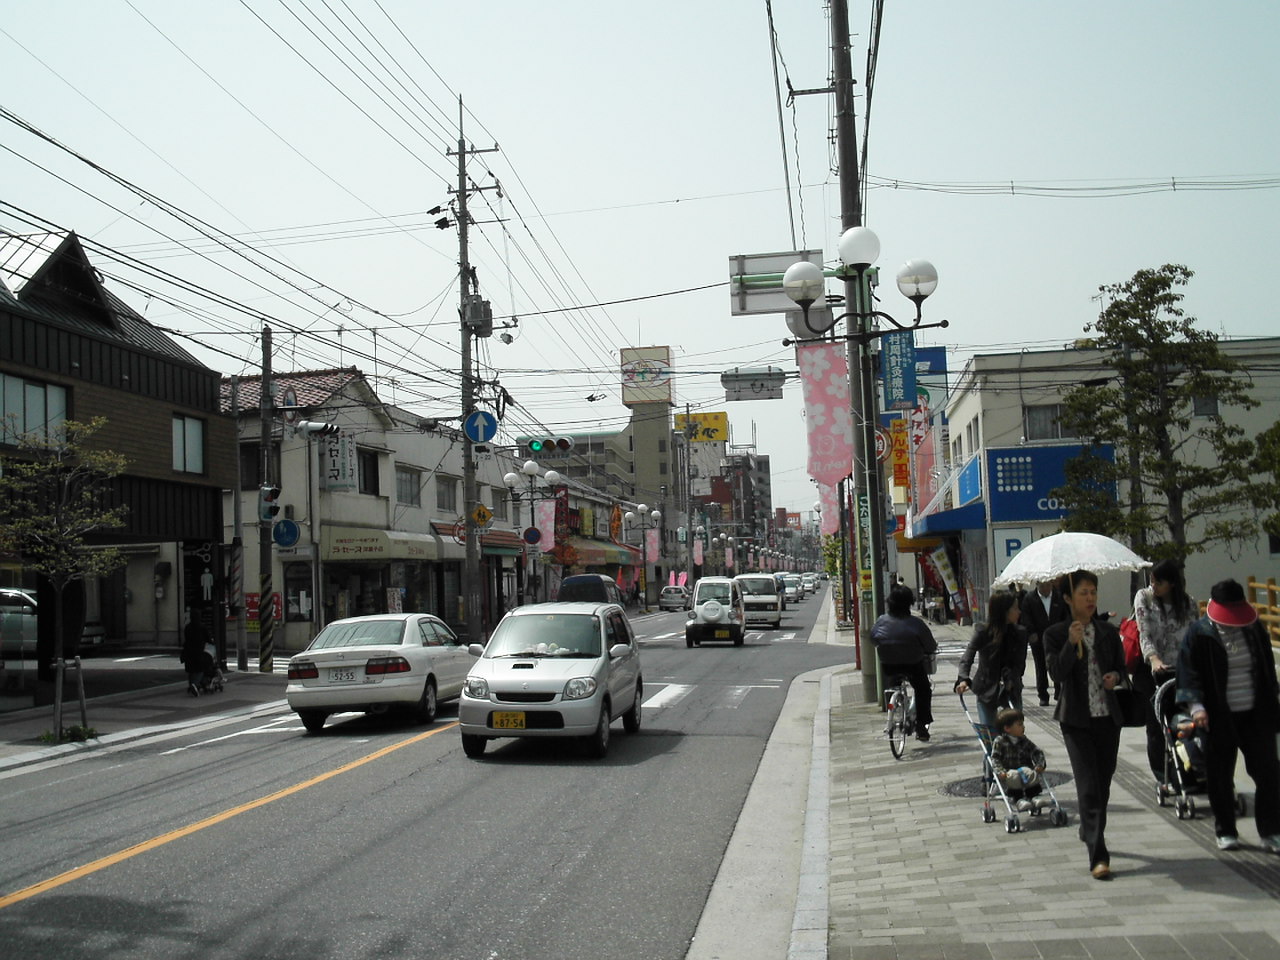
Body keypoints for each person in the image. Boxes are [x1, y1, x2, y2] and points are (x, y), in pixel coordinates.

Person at [1175, 578, 1280, 854]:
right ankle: (1226, 831)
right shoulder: (1200, 633)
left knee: (1269, 773)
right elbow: (1188, 672)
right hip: (1218, 716)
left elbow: (1267, 669)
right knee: (1220, 775)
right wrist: (1197, 708)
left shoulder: (1254, 628)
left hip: (1255, 713)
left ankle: (1271, 831)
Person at [1044, 569, 1126, 880]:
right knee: (1088, 786)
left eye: (1093, 592)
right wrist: (1070, 643)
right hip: (1076, 720)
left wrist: (1115, 678)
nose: (1090, 598)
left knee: (1103, 782)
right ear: (1068, 598)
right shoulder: (1056, 633)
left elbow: (1121, 667)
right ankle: (1098, 854)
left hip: (1108, 717)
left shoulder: (1107, 631)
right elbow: (1057, 674)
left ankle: (1089, 828)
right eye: (1083, 593)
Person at [1132, 559, 1198, 780]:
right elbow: (1145, 632)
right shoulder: (1145, 598)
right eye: (1151, 580)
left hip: (1183, 672)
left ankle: (1192, 768)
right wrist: (1153, 659)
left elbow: (1193, 637)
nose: (1153, 586)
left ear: (1171, 584)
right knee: (1156, 725)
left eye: (1158, 582)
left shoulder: (1188, 604)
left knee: (1187, 722)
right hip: (1155, 671)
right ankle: (1162, 776)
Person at [871, 583, 939, 742]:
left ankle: (892, 710)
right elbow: (930, 645)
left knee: (892, 685)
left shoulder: (881, 621)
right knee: (923, 689)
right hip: (913, 664)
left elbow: (873, 638)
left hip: (888, 664)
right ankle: (922, 726)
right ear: (909, 602)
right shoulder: (916, 624)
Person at [954, 590, 1028, 734]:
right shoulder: (983, 631)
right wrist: (963, 678)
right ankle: (991, 756)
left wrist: (1012, 679)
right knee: (990, 736)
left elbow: (1020, 664)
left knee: (1014, 735)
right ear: (1004, 611)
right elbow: (968, 656)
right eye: (1015, 608)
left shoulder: (1020, 633)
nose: (1019, 611)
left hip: (1011, 689)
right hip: (986, 689)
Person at [1020, 579, 1069, 706]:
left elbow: (1065, 616)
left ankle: (1059, 691)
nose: (1046, 589)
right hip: (1038, 638)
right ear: (1037, 586)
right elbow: (1026, 617)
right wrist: (1031, 633)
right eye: (1043, 586)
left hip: (1056, 638)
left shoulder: (1059, 597)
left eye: (1048, 585)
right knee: (1040, 666)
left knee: (1057, 663)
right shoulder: (1030, 598)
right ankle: (1043, 694)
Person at [991, 707, 1048, 811]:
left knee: (1030, 773)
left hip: (1024, 768)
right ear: (1007, 728)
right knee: (1013, 776)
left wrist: (1040, 764)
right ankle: (1018, 799)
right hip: (1008, 772)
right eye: (1020, 724)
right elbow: (995, 759)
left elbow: (1036, 751)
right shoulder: (1000, 741)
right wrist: (1000, 771)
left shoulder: (1024, 740)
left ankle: (1033, 796)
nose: (1023, 727)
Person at [180, 613, 209, 698]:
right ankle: (195, 685)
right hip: (199, 651)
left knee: (191, 669)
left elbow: (186, 638)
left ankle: (191, 685)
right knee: (200, 669)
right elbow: (207, 637)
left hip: (188, 650)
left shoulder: (188, 627)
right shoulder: (202, 626)